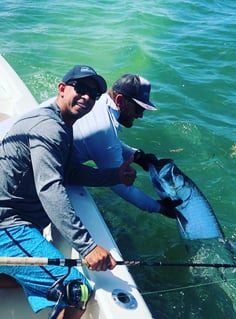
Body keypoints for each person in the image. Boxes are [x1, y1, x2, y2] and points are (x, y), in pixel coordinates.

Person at [0, 65, 136, 319]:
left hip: (11, 222)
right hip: (7, 227)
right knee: (77, 290)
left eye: (94, 95)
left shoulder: (60, 123)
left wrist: (114, 175)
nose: (86, 97)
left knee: (35, 275)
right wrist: (88, 247)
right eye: (81, 88)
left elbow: (70, 172)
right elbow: (50, 189)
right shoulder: (50, 128)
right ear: (61, 89)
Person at [60, 74, 181, 218]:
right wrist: (159, 207)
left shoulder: (99, 102)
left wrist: (136, 156)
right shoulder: (104, 129)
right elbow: (119, 185)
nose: (140, 115)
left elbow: (107, 142)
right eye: (138, 109)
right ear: (120, 100)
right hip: (52, 169)